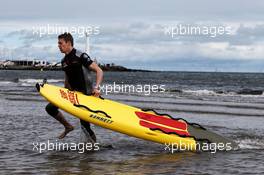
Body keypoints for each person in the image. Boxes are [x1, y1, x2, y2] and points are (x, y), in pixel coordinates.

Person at [45, 32, 103, 142]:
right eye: (58, 43)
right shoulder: (64, 61)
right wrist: (63, 93)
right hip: (74, 94)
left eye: (60, 43)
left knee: (85, 126)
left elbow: (99, 71)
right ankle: (68, 126)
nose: (58, 46)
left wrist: (97, 88)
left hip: (86, 95)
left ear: (68, 43)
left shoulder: (81, 56)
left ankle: (94, 147)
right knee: (50, 108)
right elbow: (67, 79)